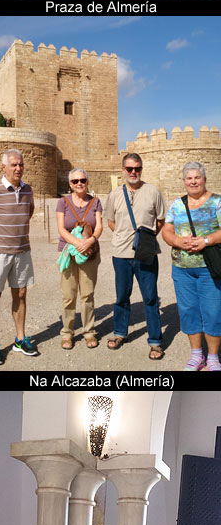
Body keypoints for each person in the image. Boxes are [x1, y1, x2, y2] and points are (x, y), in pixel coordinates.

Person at [162, 161, 221, 371]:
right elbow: (166, 231)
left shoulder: (217, 202)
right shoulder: (177, 205)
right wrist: (178, 241)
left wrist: (206, 240)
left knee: (213, 311)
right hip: (182, 269)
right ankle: (197, 355)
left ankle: (213, 357)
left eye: (197, 177)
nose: (193, 181)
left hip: (210, 269)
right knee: (188, 311)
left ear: (204, 179)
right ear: (184, 181)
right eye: (189, 178)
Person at [105, 153, 165, 357]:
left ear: (141, 169)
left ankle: (155, 340)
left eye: (137, 168)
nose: (133, 172)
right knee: (122, 296)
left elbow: (160, 221)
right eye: (129, 168)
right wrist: (125, 237)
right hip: (120, 254)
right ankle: (120, 332)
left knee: (150, 297)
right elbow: (111, 221)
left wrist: (145, 240)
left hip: (146, 254)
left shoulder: (152, 192)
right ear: (123, 170)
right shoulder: (114, 194)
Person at [0, 149, 37, 365]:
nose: (18, 168)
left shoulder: (28, 190)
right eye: (14, 164)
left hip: (22, 251)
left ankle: (20, 339)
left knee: (21, 294)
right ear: (3, 167)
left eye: (21, 164)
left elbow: (28, 211)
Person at [56, 168, 102, 349]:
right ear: (70, 184)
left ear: (87, 181)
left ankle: (89, 331)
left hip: (89, 253)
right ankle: (67, 332)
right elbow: (61, 229)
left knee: (88, 294)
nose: (79, 183)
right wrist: (77, 243)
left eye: (82, 180)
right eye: (75, 181)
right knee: (68, 295)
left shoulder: (96, 202)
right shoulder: (63, 202)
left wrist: (89, 241)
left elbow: (98, 227)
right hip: (68, 253)